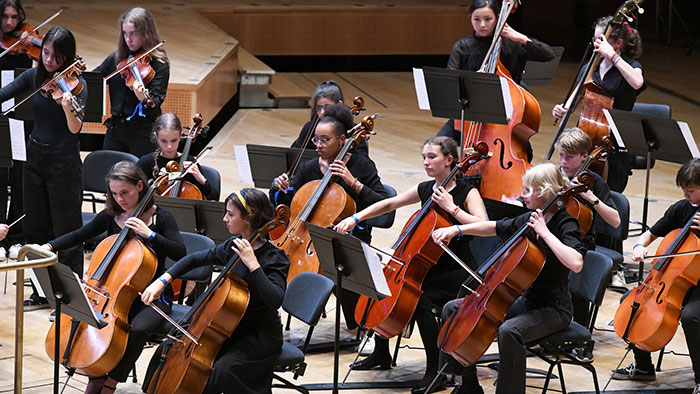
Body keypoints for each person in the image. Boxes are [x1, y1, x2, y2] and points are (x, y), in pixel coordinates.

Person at [335, 136, 488, 394]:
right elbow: (390, 203)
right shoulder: (427, 188)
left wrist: (453, 211)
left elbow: (483, 226)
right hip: (424, 266)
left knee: (422, 303)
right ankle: (381, 353)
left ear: (450, 160)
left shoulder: (466, 192)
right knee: (382, 286)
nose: (426, 162)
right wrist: (356, 216)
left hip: (453, 270)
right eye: (424, 157)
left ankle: (435, 371)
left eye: (432, 157)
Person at [432, 163, 586, 394]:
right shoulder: (531, 217)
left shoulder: (565, 223)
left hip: (554, 309)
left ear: (544, 191)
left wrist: (544, 232)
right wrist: (457, 230)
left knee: (509, 331)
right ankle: (468, 386)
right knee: (453, 309)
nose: (521, 194)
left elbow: (576, 263)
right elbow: (494, 227)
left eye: (527, 190)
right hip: (527, 301)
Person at [41, 161, 185, 394]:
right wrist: (48, 245)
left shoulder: (162, 218)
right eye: (115, 194)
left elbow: (180, 253)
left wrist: (150, 234)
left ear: (140, 186)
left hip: (151, 295)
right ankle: (96, 375)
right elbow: (79, 234)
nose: (120, 199)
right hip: (111, 293)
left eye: (125, 193)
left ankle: (111, 382)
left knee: (137, 330)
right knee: (95, 323)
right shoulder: (111, 215)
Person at [141, 188, 289, 393]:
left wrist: (253, 265)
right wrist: (163, 281)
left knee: (220, 372)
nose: (224, 219)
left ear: (250, 217)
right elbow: (194, 258)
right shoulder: (233, 246)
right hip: (226, 330)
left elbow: (275, 299)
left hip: (257, 335)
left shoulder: (275, 258)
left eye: (230, 214)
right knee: (163, 352)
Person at [271, 103, 387, 331]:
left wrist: (354, 183)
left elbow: (383, 203)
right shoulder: (308, 168)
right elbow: (285, 204)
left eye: (325, 140)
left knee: (337, 265)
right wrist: (279, 188)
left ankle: (358, 322)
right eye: (316, 140)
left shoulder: (361, 165)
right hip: (305, 236)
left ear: (342, 140)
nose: (319, 145)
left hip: (348, 238)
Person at [0, 25, 86, 310]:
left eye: (56, 57)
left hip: (64, 160)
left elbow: (75, 129)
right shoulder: (35, 76)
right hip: (35, 156)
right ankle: (42, 292)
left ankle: (70, 301)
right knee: (35, 228)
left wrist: (66, 105)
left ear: (67, 58)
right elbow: (5, 92)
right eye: (46, 53)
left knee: (66, 230)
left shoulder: (76, 85)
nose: (49, 61)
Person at [609, 158, 700, 394]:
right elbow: (650, 234)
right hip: (670, 281)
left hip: (698, 285)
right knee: (631, 304)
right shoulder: (680, 209)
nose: (686, 194)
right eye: (684, 190)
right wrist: (640, 246)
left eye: (691, 190)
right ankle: (642, 367)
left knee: (691, 317)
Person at [438, 0, 555, 142]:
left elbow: (548, 55)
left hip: (505, 114)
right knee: (440, 145)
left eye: (488, 19)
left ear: (498, 18)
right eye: (477, 19)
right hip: (470, 112)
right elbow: (450, 80)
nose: (482, 24)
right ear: (470, 18)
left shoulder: (512, 44)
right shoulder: (463, 47)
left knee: (524, 152)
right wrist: (471, 80)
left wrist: (520, 37)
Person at [553, 16, 646, 193]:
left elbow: (637, 82)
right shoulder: (591, 67)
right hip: (589, 140)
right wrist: (562, 109)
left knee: (610, 195)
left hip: (616, 145)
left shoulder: (632, 66)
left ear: (617, 43)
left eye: (601, 40)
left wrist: (612, 56)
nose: (596, 44)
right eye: (595, 39)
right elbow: (572, 103)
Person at [556, 127, 620, 338]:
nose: (563, 161)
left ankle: (577, 331)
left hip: (580, 243)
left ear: (585, 156)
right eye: (561, 155)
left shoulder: (593, 182)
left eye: (570, 157)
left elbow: (615, 220)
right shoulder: (555, 175)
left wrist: (592, 198)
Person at [94, 7, 169, 158]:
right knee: (111, 174)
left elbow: (154, 108)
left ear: (146, 33)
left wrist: (142, 97)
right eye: (125, 34)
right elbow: (93, 80)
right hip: (115, 130)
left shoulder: (159, 65)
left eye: (133, 34)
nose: (128, 39)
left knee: (141, 177)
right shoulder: (115, 60)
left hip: (144, 133)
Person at [0, 0, 33, 254]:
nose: (10, 23)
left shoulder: (25, 45)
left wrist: (28, 46)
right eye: (4, 17)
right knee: (0, 172)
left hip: (21, 115)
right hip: (0, 114)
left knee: (21, 172)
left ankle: (16, 235)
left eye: (14, 17)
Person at [136, 112, 219, 200]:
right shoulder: (146, 163)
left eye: (174, 140)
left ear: (180, 135)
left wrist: (202, 180)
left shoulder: (190, 163)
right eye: (164, 141)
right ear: (156, 137)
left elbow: (213, 199)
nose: (169, 146)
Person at [290, 80, 368, 155]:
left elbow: (366, 165)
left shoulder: (355, 132)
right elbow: (292, 155)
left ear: (339, 104)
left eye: (327, 107)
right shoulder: (310, 128)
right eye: (319, 107)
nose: (322, 112)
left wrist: (350, 147)